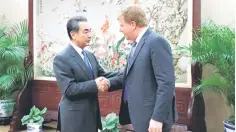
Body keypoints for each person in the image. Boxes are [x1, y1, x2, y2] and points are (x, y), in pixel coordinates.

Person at [107, 5, 178, 132]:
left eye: (122, 25)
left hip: (153, 120)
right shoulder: (136, 44)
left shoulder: (156, 42)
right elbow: (129, 76)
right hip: (141, 117)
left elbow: (166, 83)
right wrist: (107, 82)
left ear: (133, 24)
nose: (120, 30)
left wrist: (157, 118)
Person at [53, 16, 114, 132]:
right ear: (73, 34)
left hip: (91, 116)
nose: (90, 35)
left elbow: (102, 76)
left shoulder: (90, 55)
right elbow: (69, 90)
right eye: (85, 32)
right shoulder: (62, 58)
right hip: (74, 119)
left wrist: (126, 72)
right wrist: (95, 84)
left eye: (90, 31)